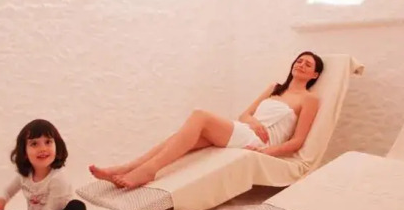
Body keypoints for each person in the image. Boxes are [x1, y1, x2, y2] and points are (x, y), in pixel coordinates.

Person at [89, 51, 324, 189]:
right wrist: (254, 122)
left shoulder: (309, 99)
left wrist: (265, 152)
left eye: (308, 64)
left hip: (260, 142)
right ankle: (126, 168)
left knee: (199, 115)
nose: (301, 65)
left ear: (314, 75)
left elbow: (297, 141)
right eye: (299, 60)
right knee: (179, 138)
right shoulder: (275, 88)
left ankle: (149, 170)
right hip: (246, 129)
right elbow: (245, 115)